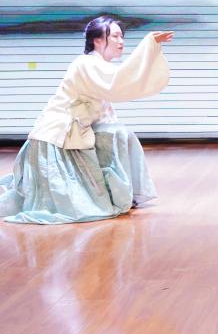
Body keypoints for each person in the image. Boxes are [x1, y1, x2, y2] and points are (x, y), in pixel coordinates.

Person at [0, 17, 173, 224]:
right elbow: (119, 81)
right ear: (97, 40)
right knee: (115, 140)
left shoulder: (97, 65)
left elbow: (112, 96)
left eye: (122, 36)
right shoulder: (86, 63)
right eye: (115, 36)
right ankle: (115, 194)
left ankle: (122, 193)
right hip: (57, 139)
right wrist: (148, 45)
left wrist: (150, 48)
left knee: (121, 134)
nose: (121, 41)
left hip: (72, 134)